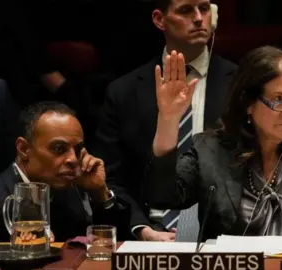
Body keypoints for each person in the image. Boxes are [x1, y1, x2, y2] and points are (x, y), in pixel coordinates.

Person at [144, 46, 282, 240]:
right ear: (248, 104)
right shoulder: (210, 150)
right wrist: (168, 119)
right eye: (279, 99)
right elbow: (163, 197)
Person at [93, 0, 237, 241]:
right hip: (149, 230)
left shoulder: (240, 85)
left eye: (204, 8)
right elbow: (111, 178)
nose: (199, 18)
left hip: (219, 235)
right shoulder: (124, 92)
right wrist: (141, 229)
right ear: (159, 19)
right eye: (185, 10)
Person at [0, 102, 130, 242]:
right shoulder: (2, 197)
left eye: (78, 149)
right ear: (24, 149)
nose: (73, 160)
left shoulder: (72, 188)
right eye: (58, 148)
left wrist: (100, 192)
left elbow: (116, 248)